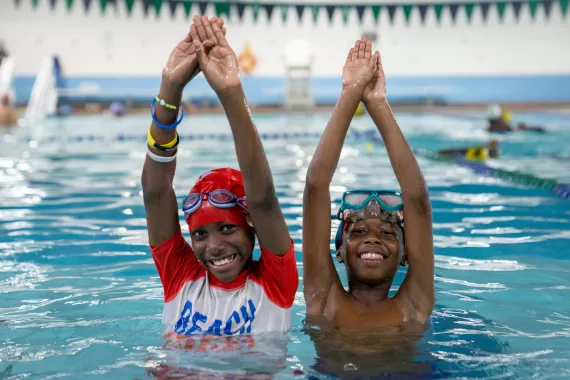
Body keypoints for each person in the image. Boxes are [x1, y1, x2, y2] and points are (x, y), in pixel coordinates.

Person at [141, 16, 297, 342]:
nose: (214, 247)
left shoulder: (274, 281)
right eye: (199, 234)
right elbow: (155, 192)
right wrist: (170, 88)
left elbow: (263, 198)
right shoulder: (181, 276)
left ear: (252, 223)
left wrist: (230, 91)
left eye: (227, 227)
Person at [303, 37, 434, 328]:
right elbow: (315, 185)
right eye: (359, 231)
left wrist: (377, 103)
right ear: (338, 251)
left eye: (388, 233)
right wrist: (350, 92)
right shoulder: (323, 299)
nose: (372, 238)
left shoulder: (415, 303)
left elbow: (417, 198)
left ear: (405, 254)